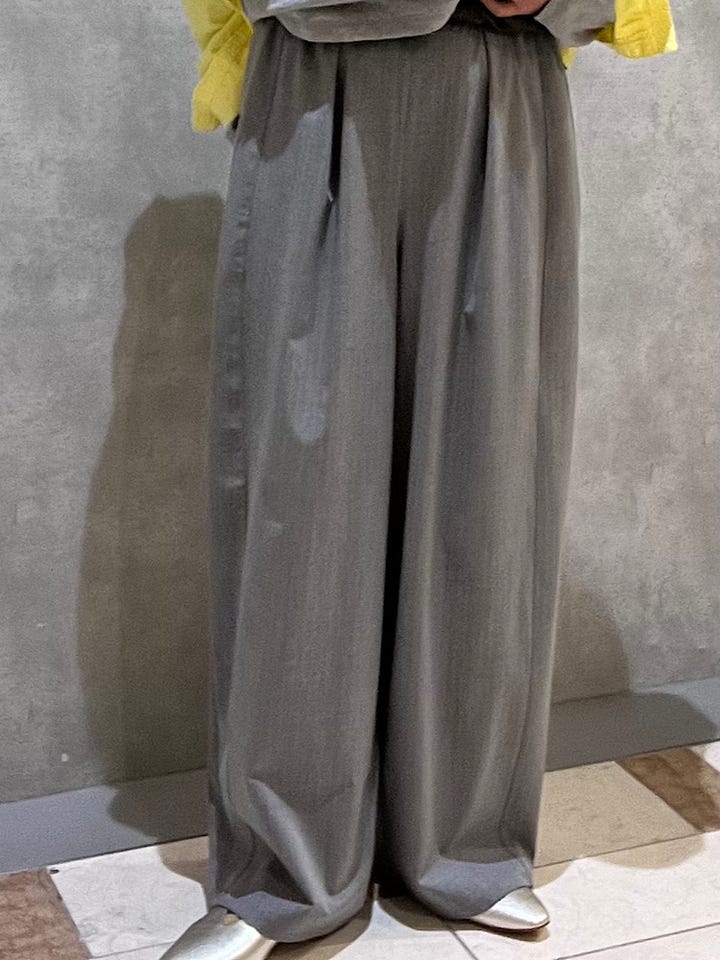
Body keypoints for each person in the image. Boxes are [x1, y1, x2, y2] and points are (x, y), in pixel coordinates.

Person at [165, 1, 678, 957]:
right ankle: (282, 874)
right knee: (302, 498)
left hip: (501, 90)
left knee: (490, 481)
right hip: (317, 88)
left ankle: (467, 847)